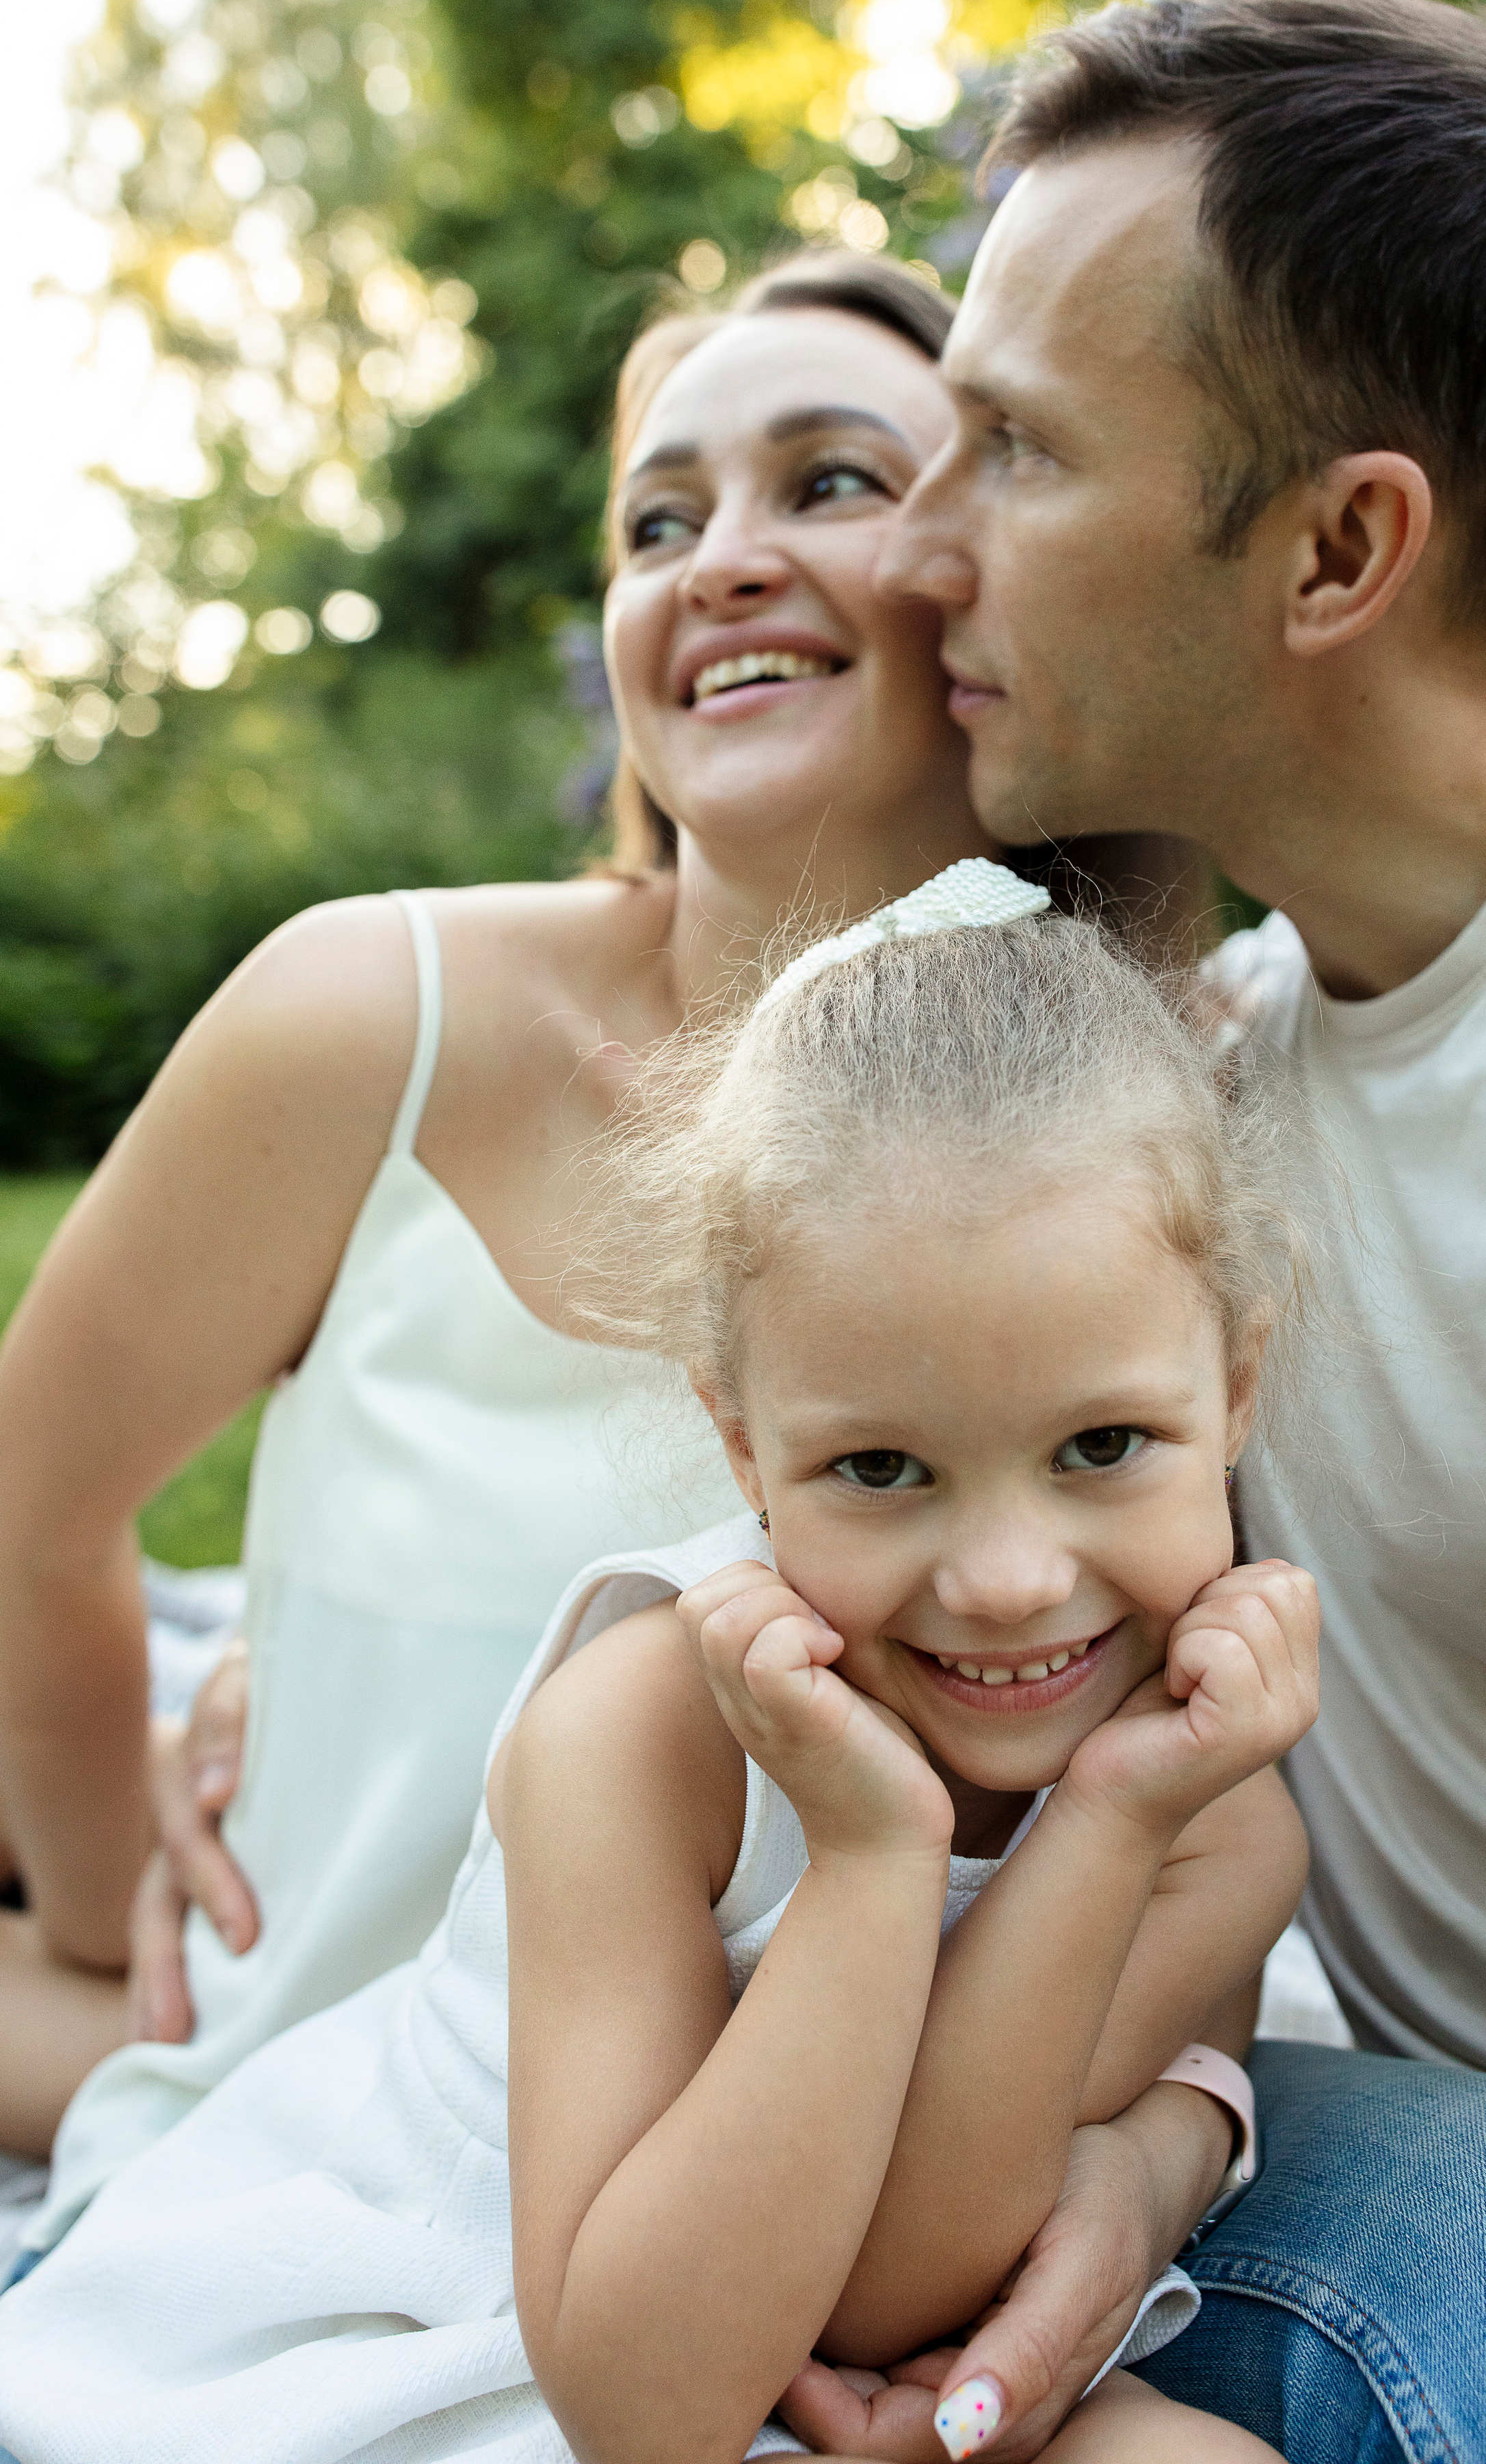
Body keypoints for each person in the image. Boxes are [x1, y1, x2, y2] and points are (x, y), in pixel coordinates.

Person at [0, 251, 1204, 2280]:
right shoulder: (375, 1015)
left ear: (995, 583)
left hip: (843, 2232)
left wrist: (1173, 2135)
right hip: (316, 2176)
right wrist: (121, 1953)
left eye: (830, 483)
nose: (721, 560)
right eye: (664, 520)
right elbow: (33, 1503)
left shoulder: (1170, 1105)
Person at [879, 0, 1486, 2451]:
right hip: (1372, 2163)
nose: (922, 556)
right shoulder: (1228, 1056)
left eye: (1018, 454)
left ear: (1341, 547)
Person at [0, 874, 1323, 2461]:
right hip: (451, 2348)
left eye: (1100, 1446)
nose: (1004, 1582)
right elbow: (645, 2403)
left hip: (801, 2350)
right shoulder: (640, 1731)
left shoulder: (1197, 1805)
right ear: (737, 1436)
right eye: (881, 1471)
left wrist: (1108, 1827)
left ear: (1234, 1384)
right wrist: (865, 1853)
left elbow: (893, 2291)